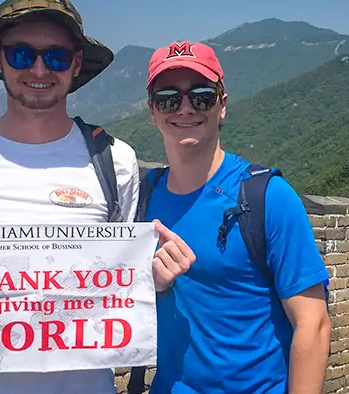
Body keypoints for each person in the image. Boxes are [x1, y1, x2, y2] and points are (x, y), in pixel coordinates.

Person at [0, 0, 193, 394]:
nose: (40, 69)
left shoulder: (114, 162)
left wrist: (153, 281)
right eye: (22, 54)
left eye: (57, 56)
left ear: (76, 64)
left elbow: (121, 281)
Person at [140, 41, 332, 394]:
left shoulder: (266, 198)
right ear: (152, 111)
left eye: (201, 96)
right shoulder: (143, 199)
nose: (184, 108)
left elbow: (313, 322)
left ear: (221, 106)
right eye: (168, 98)